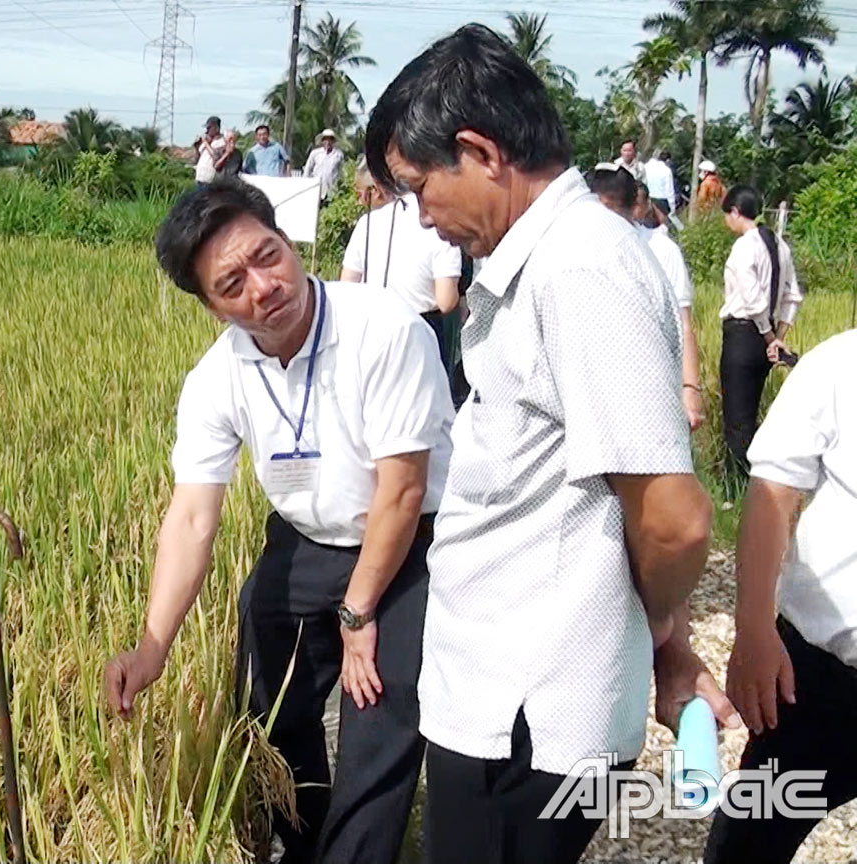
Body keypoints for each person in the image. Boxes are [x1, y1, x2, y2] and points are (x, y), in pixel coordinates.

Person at [366, 25, 734, 864]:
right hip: (498, 695)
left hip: (526, 715)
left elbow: (673, 520)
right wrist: (672, 648)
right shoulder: (548, 263)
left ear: (480, 153)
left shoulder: (580, 272)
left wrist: (664, 635)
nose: (424, 219)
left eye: (420, 189)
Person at [104, 178, 453, 863]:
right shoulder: (217, 377)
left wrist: (358, 613)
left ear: (288, 242)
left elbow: (403, 491)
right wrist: (152, 647)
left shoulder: (384, 329)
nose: (263, 287)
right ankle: (304, 840)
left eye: (267, 256)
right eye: (232, 284)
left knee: (377, 722)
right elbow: (192, 517)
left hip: (412, 542)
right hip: (306, 541)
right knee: (268, 703)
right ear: (211, 307)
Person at [706, 328, 857, 864]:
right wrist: (752, 631)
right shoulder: (838, 365)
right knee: (750, 842)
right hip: (822, 675)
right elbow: (772, 490)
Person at [588, 166, 704, 430]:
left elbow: (684, 323)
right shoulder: (577, 249)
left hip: (651, 384)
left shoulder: (662, 251)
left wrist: (690, 388)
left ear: (634, 209)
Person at [718, 185, 805, 478]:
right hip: (765, 339)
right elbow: (793, 296)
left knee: (737, 419)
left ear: (735, 212)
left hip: (743, 335)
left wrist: (770, 337)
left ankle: (737, 484)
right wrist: (778, 337)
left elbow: (752, 297)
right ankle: (747, 480)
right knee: (750, 412)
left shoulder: (745, 246)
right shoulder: (780, 245)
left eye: (727, 215)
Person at [339, 181, 462, 371]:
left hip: (372, 329)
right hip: (422, 332)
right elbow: (446, 302)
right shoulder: (439, 225)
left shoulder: (367, 223)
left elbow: (347, 287)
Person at [304, 128, 345, 201]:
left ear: (333, 141)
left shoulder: (338, 155)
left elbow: (342, 172)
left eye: (330, 140)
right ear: (322, 141)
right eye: (325, 139)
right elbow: (307, 170)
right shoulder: (315, 153)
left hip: (332, 191)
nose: (328, 142)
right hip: (317, 190)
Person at [193, 116, 227, 185]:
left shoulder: (221, 142)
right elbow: (197, 158)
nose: (207, 131)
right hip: (200, 177)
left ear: (216, 128)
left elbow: (216, 157)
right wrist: (197, 147)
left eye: (209, 128)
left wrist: (206, 144)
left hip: (210, 178)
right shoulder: (207, 141)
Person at [644, 147, 676, 211]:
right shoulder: (667, 170)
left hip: (647, 200)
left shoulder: (644, 167)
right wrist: (672, 207)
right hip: (662, 201)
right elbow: (669, 190)